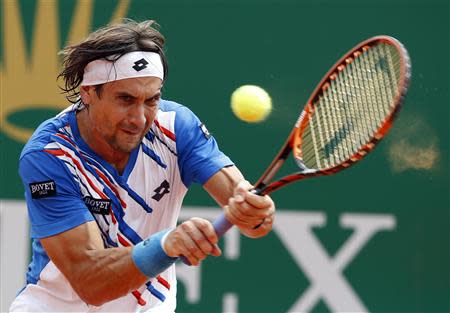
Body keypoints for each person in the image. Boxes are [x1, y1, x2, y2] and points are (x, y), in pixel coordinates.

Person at [9, 19, 275, 312]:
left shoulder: (176, 127)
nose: (139, 118)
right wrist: (166, 245)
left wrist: (254, 213)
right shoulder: (50, 155)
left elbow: (246, 210)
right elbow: (90, 283)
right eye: (125, 99)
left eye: (152, 100)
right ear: (88, 92)